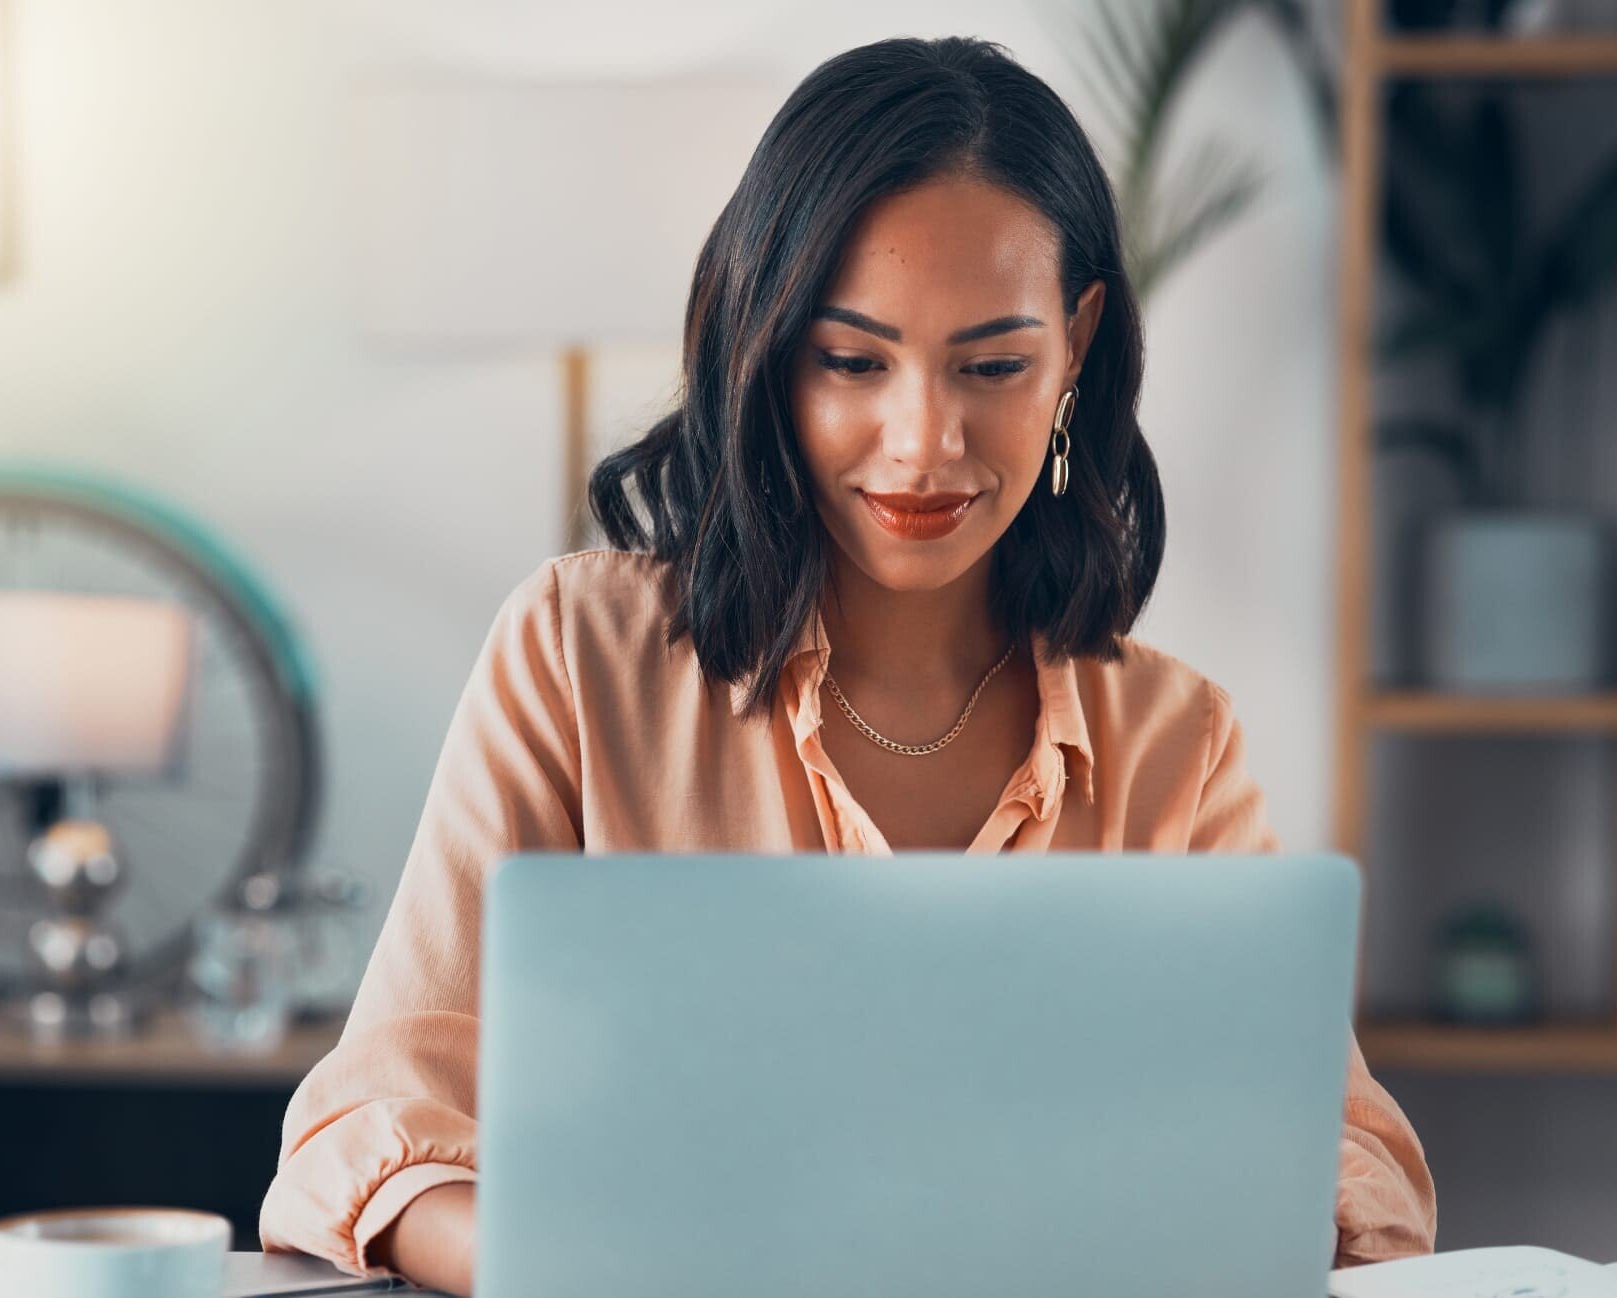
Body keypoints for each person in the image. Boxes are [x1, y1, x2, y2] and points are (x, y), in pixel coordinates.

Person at [257, 34, 1435, 1295]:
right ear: (766, 351)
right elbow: (367, 1126)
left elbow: (1346, 1157)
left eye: (992, 366)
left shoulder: (1171, 741)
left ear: (1077, 347)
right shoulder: (574, 656)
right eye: (851, 360)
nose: (923, 441)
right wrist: (572, 1266)